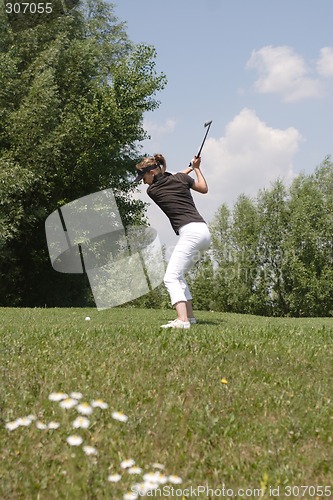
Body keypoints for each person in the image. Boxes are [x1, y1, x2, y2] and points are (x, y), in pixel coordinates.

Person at [134, 153, 211, 329]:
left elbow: (175, 177)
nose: (143, 182)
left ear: (152, 172)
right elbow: (203, 188)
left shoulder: (152, 191)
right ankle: (189, 317)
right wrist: (196, 168)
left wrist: (192, 167)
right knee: (178, 275)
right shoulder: (181, 179)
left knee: (170, 278)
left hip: (190, 233)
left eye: (143, 177)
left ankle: (182, 321)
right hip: (203, 232)